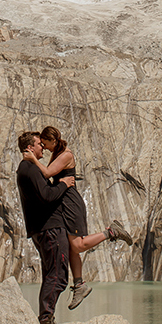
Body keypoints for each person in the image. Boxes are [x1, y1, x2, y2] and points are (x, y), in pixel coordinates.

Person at [24, 125, 133, 310]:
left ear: (53, 140)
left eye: (45, 143)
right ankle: (79, 284)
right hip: (62, 203)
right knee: (70, 247)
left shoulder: (66, 155)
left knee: (78, 245)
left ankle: (111, 232)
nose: (44, 147)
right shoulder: (56, 153)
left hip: (71, 203)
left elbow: (47, 173)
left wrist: (33, 159)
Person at [15, 130, 75, 324]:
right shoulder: (30, 169)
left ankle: (46, 316)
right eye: (39, 144)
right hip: (50, 228)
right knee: (58, 275)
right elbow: (47, 195)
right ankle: (46, 318)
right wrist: (64, 184)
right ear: (30, 147)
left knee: (52, 274)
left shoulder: (26, 168)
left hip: (42, 229)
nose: (43, 147)